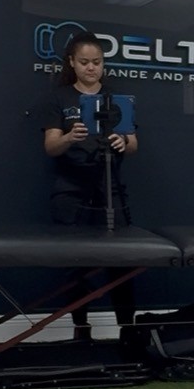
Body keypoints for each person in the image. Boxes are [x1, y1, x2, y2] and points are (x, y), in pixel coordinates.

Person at [39, 34, 139, 340]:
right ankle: (80, 327)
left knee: (123, 260)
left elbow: (134, 143)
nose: (91, 68)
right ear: (72, 62)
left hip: (111, 189)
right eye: (84, 62)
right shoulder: (60, 98)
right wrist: (70, 137)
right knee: (75, 262)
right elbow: (50, 146)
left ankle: (127, 327)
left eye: (97, 62)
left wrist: (123, 141)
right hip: (70, 189)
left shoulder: (117, 97)